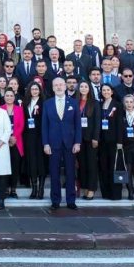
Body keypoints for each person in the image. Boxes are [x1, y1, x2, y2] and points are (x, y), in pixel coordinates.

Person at [42, 77, 82, 210]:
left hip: (70, 143)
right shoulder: (47, 103)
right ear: (53, 88)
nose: (59, 87)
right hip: (53, 143)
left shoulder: (74, 103)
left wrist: (77, 142)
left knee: (71, 172)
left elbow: (78, 124)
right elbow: (44, 125)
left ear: (65, 86)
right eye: (56, 85)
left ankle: (71, 200)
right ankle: (55, 200)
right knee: (54, 172)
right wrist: (45, 143)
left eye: (61, 85)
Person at [97, 83, 122, 200]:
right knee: (103, 167)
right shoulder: (99, 104)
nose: (105, 92)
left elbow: (119, 124)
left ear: (112, 92)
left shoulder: (117, 105)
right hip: (102, 141)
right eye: (103, 90)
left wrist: (119, 141)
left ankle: (115, 194)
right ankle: (105, 193)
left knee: (114, 167)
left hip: (114, 141)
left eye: (108, 90)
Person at [75, 80, 100, 200]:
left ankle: (91, 189)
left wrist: (96, 138)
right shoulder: (75, 102)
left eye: (86, 86)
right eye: (81, 86)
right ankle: (84, 187)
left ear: (89, 89)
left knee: (91, 165)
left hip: (91, 139)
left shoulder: (95, 103)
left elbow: (97, 122)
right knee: (82, 165)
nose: (83, 88)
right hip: (79, 138)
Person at [22, 82, 46, 199]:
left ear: (40, 90)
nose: (35, 91)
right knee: (32, 162)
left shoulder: (44, 103)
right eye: (32, 89)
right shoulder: (26, 103)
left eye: (37, 89)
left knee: (41, 163)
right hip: (29, 136)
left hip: (40, 136)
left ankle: (41, 189)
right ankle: (34, 188)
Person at [1, 88, 25, 199]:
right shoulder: (0, 109)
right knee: (5, 166)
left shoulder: (19, 109)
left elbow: (21, 125)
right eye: (7, 95)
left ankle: (13, 190)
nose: (9, 97)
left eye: (11, 95)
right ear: (4, 97)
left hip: (16, 141)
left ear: (14, 97)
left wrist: (14, 137)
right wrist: (7, 138)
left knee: (15, 166)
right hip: (3, 142)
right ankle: (5, 189)